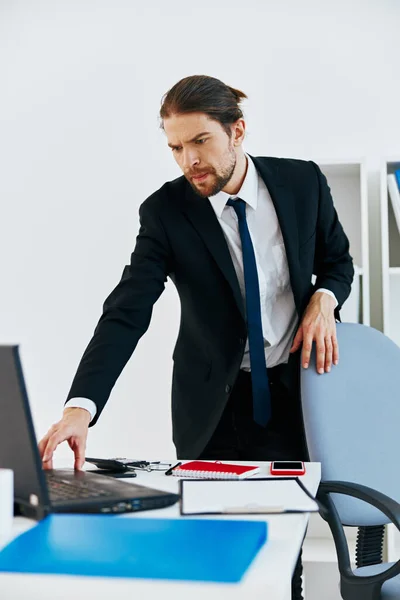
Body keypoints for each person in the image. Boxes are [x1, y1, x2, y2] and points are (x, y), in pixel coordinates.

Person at [38, 75, 354, 600]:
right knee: (215, 563)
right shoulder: (165, 212)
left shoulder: (302, 184)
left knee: (284, 561)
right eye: (175, 148)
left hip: (298, 399)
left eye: (200, 142)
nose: (189, 161)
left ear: (238, 131)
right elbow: (126, 311)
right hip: (214, 410)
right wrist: (80, 407)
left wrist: (325, 298)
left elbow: (337, 263)